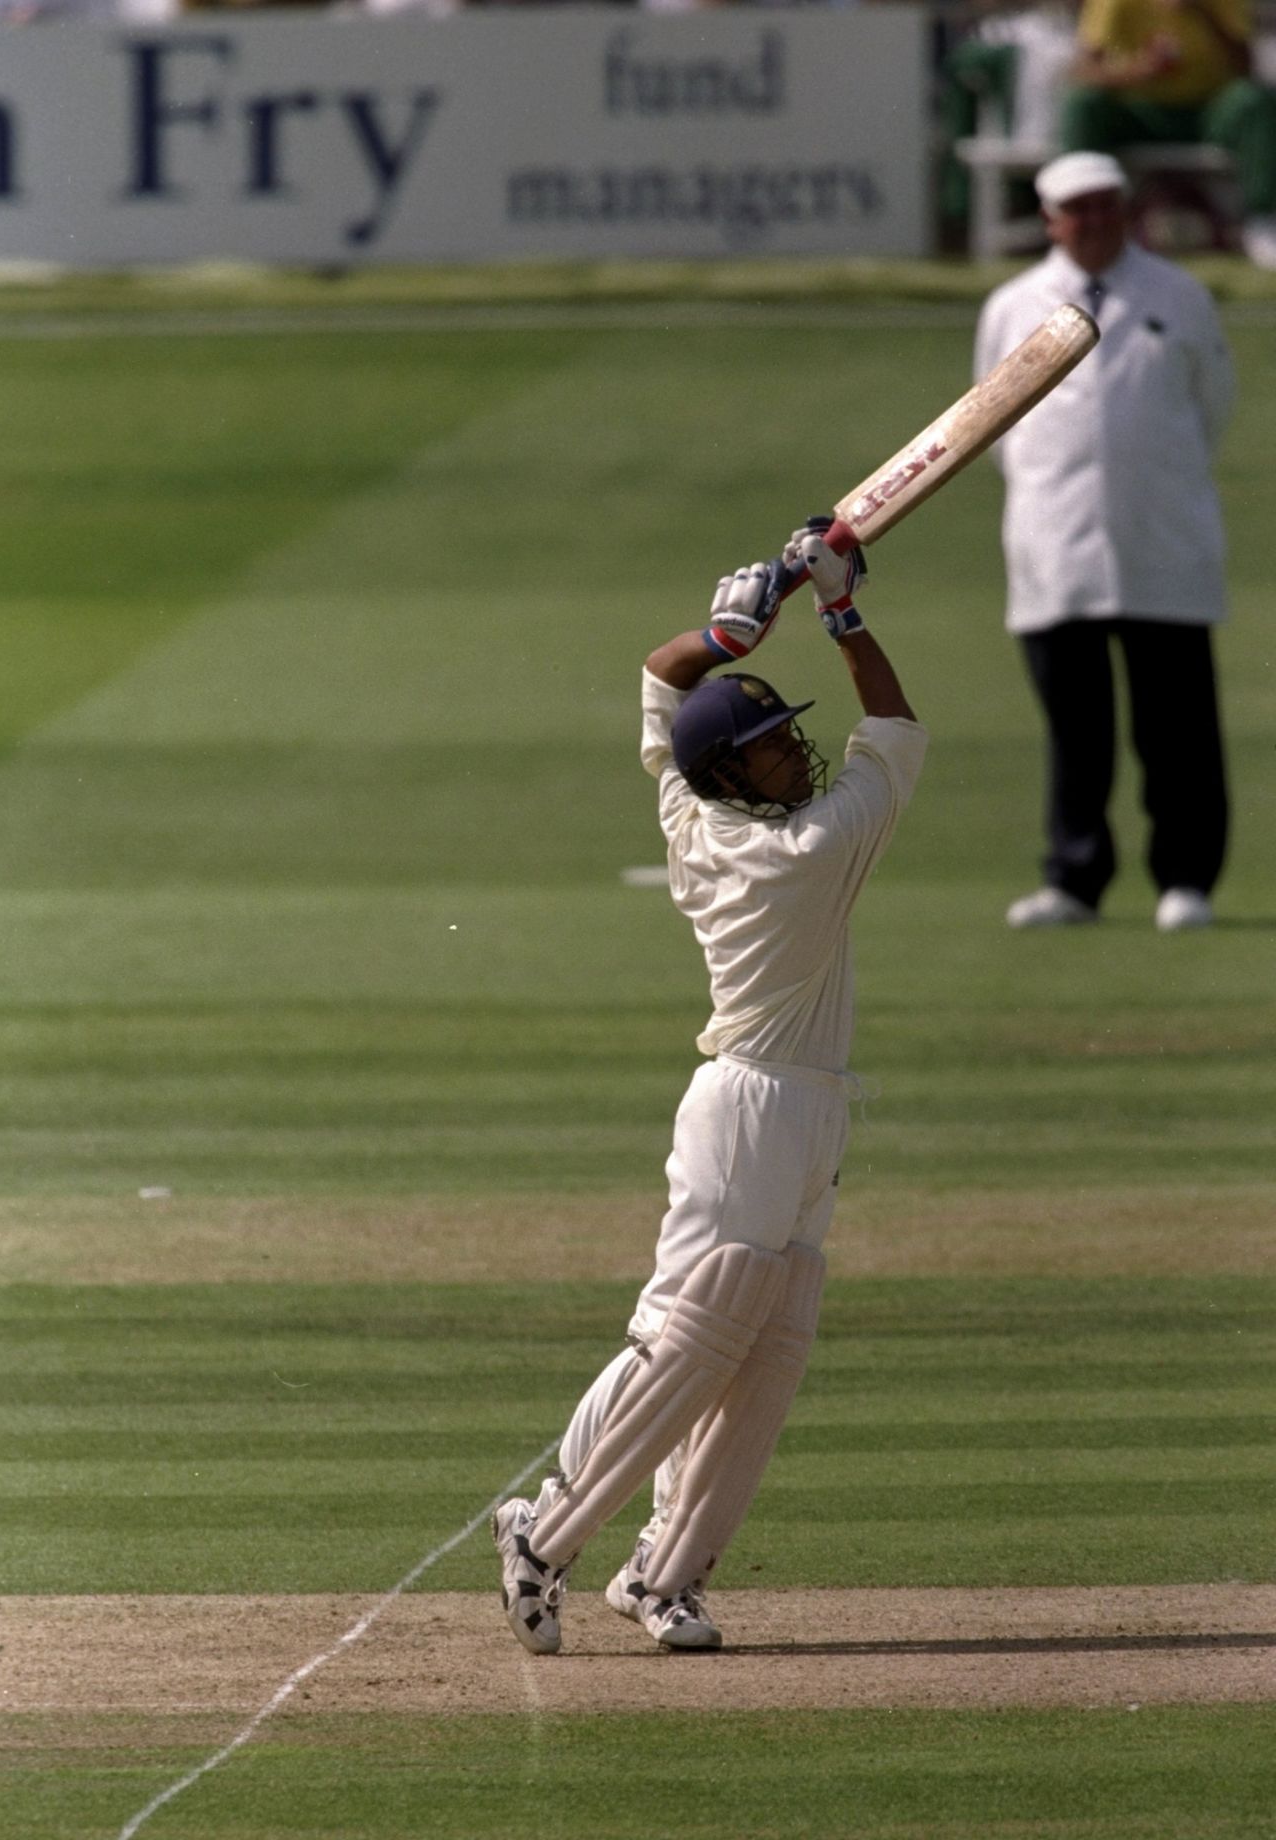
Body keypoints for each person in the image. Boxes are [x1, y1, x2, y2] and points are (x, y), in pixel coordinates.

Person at [492, 522, 926, 1654]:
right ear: (733, 770)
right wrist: (838, 614)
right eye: (774, 744)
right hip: (748, 1106)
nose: (796, 752)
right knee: (693, 1328)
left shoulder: (687, 807)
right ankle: (542, 1530)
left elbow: (659, 682)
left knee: (770, 1337)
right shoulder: (804, 856)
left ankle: (662, 1574)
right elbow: (894, 729)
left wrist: (731, 626)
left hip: (808, 1102)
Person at [975, 148, 1234, 931]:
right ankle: (1076, 878)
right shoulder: (1015, 306)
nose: (1093, 220)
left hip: (1165, 539)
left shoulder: (1178, 294)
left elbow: (1212, 404)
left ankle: (1185, 879)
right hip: (1058, 542)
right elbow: (986, 423)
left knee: (1177, 726)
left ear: (1126, 209)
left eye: (1106, 204)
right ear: (1050, 219)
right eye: (1076, 207)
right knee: (1076, 728)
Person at [1059, 0, 1276, 267]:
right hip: (1137, 113)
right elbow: (1082, 72)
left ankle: (1262, 224)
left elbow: (1246, 68)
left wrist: (1203, 13)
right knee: (1084, 103)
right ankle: (1075, 216)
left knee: (1253, 100)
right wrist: (1138, 71)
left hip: (1208, 111)